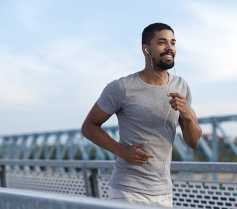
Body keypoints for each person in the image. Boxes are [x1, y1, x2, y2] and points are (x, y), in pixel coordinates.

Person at [81, 23, 202, 207]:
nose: (170, 47)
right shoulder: (122, 87)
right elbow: (89, 126)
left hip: (164, 193)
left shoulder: (181, 86)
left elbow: (193, 142)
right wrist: (122, 151)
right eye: (162, 42)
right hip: (127, 191)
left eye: (173, 42)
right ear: (146, 49)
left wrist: (186, 115)